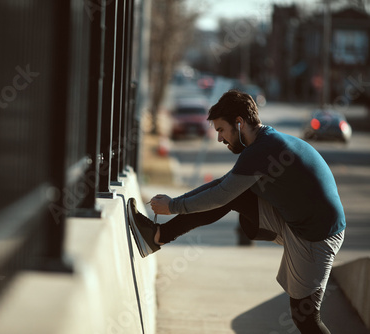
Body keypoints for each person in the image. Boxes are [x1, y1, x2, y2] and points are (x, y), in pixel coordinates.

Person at [127, 90, 345, 334]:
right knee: (236, 194)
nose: (220, 138)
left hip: (317, 236)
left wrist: (174, 206)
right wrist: (175, 201)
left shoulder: (263, 150)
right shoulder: (264, 143)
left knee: (305, 318)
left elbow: (220, 195)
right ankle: (158, 236)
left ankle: (158, 236)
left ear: (239, 123)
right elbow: (223, 186)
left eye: (221, 130)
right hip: (296, 222)